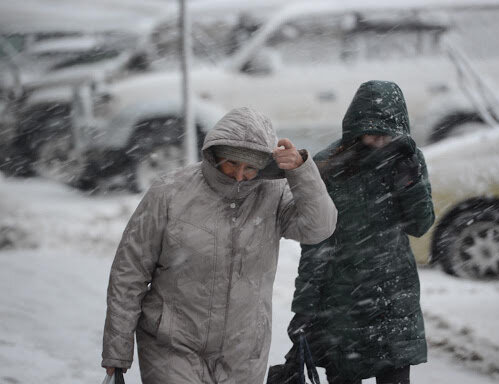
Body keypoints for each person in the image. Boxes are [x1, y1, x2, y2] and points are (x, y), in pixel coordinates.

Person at [101, 107, 337, 384]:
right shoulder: (169, 193)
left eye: (250, 168)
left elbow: (319, 227)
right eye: (231, 163)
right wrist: (117, 352)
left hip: (242, 352)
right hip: (171, 346)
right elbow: (129, 273)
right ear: (213, 155)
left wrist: (301, 172)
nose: (239, 175)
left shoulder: (272, 195)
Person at [286, 80, 435, 384]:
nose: (380, 141)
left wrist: (409, 181)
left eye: (387, 134)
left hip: (393, 297)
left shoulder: (407, 158)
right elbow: (316, 242)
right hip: (341, 300)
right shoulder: (329, 166)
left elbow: (420, 225)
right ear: (355, 126)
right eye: (372, 132)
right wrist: (304, 307)